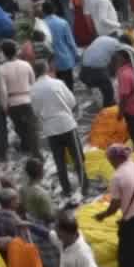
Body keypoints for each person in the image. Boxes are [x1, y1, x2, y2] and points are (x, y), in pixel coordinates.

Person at [31, 60, 86, 196]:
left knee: (59, 161)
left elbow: (36, 111)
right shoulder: (57, 83)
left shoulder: (33, 89)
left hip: (50, 129)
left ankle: (66, 190)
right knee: (77, 158)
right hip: (66, 124)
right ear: (47, 69)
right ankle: (84, 186)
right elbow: (72, 101)